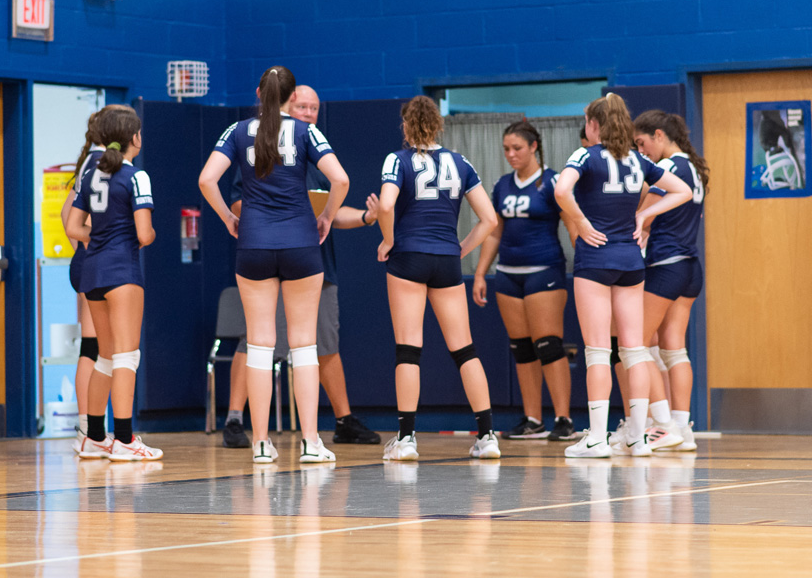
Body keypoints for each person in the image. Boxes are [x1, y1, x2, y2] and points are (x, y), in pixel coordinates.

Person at [199, 66, 351, 464]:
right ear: (291, 96)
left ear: (258, 92)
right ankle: (310, 442)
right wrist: (327, 218)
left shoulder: (237, 131)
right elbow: (341, 179)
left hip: (253, 245)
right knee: (304, 347)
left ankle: (261, 443)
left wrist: (229, 219)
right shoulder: (305, 131)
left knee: (260, 345)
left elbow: (206, 179)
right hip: (301, 243)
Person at [222, 85, 381, 449]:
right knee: (260, 342)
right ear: (288, 103)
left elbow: (335, 208)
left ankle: (340, 420)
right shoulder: (257, 143)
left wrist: (369, 218)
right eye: (303, 106)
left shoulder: (311, 151)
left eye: (314, 108)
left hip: (307, 259)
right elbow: (237, 202)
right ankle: (237, 419)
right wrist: (279, 216)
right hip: (276, 252)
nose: (308, 112)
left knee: (319, 343)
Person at [554, 93, 691, 458]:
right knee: (634, 350)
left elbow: (561, 189)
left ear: (594, 125)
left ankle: (597, 438)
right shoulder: (639, 160)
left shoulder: (585, 155)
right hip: (631, 261)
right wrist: (644, 216)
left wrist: (581, 222)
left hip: (595, 259)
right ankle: (639, 436)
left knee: (598, 352)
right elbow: (684, 191)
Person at [378, 96, 501, 461]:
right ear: (438, 125)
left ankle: (406, 439)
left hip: (408, 257)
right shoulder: (460, 161)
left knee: (408, 348)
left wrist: (388, 240)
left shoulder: (396, 160)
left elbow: (385, 204)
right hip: (446, 258)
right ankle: (488, 435)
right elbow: (490, 219)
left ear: (406, 125)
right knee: (464, 348)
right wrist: (462, 248)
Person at [66, 104, 162, 461]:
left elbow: (74, 226)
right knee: (126, 355)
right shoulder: (136, 175)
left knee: (104, 355)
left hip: (91, 270)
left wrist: (99, 237)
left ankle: (93, 437)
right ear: (133, 137)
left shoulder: (88, 171)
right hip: (122, 271)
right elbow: (144, 234)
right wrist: (146, 233)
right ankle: (124, 440)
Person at [472, 120, 576, 442]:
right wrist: (480, 272)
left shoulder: (553, 181)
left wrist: (585, 263)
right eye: (506, 149)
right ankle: (533, 419)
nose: (510, 154)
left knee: (548, 345)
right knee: (522, 349)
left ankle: (563, 419)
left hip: (544, 270)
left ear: (533, 147)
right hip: (508, 274)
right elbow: (495, 231)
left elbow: (573, 223)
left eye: (517, 148)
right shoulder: (503, 185)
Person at [633, 110, 708, 452]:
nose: (641, 150)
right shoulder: (694, 168)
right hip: (691, 266)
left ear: (659, 135)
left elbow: (641, 215)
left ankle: (662, 425)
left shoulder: (669, 170)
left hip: (666, 264)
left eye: (642, 142)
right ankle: (682, 427)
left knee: (636, 343)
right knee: (674, 348)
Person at [61, 109, 105, 452]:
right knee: (99, 349)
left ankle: (87, 430)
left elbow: (67, 214)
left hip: (85, 259)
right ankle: (97, 433)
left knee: (90, 347)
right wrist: (95, 242)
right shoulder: (105, 165)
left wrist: (82, 245)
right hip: (99, 262)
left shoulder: (86, 164)